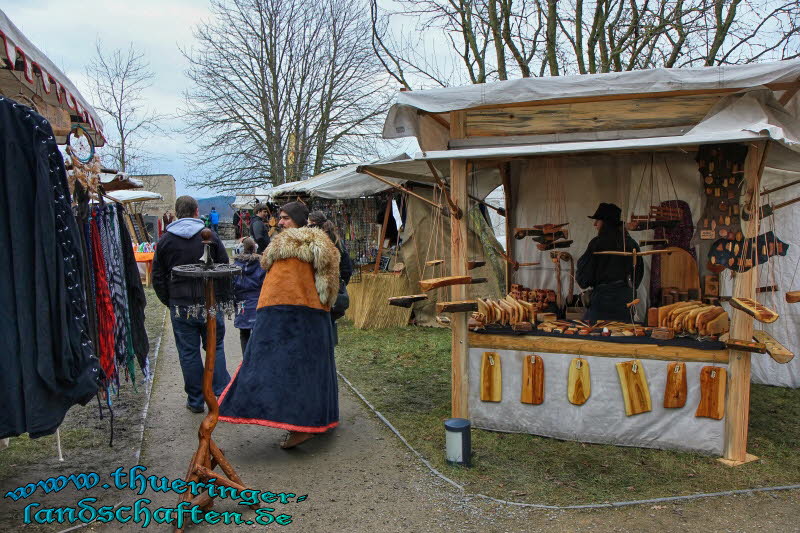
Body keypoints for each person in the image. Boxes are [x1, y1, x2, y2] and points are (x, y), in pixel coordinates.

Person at [219, 204, 340, 450]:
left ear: (297, 220)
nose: (280, 223)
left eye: (284, 218)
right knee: (313, 369)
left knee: (287, 369)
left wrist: (269, 318)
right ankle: (319, 420)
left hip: (289, 315)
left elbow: (281, 288)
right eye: (279, 218)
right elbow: (330, 283)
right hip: (314, 314)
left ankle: (300, 426)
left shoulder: (289, 247)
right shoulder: (321, 245)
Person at [152, 195, 231, 413]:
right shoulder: (210, 236)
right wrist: (221, 298)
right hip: (209, 302)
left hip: (181, 304)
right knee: (216, 347)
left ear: (177, 213)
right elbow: (224, 268)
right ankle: (220, 394)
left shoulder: (165, 241)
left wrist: (169, 300)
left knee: (188, 353)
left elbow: (158, 276)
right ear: (197, 211)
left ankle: (196, 400)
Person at [576, 202, 643, 323]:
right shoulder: (631, 244)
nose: (595, 224)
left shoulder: (597, 243)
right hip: (625, 300)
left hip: (602, 301)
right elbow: (638, 275)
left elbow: (584, 279)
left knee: (597, 336)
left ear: (606, 223)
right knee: (622, 336)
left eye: (598, 220)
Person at [308, 210, 353, 344]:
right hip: (331, 287)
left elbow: (346, 267)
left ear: (315, 224)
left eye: (309, 224)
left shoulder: (324, 241)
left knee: (324, 320)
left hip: (324, 288)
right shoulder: (335, 239)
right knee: (329, 320)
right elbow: (347, 268)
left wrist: (338, 283)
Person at [233, 237, 266, 354]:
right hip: (257, 301)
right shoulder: (261, 265)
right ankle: (257, 358)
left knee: (244, 333)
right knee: (258, 333)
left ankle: (245, 358)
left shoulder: (235, 266)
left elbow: (233, 284)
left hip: (242, 303)